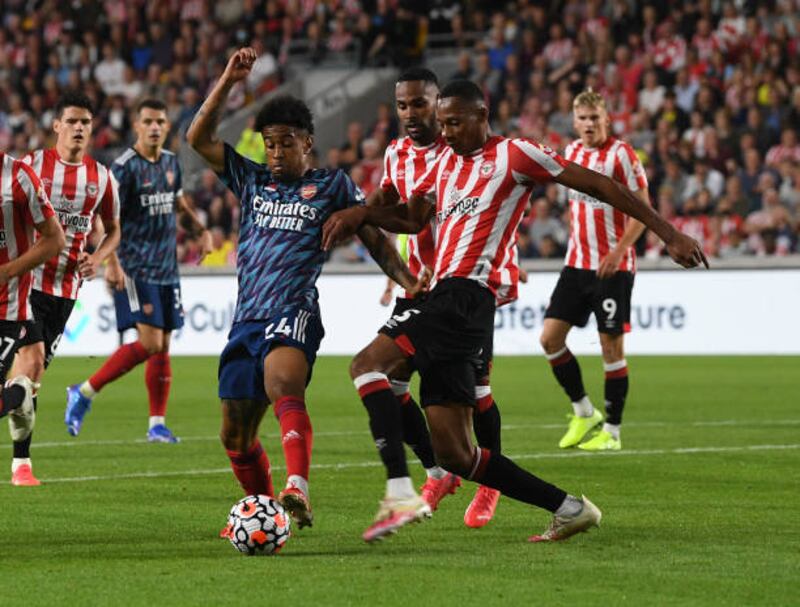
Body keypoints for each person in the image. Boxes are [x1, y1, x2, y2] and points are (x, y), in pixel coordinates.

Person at [322, 80, 707, 542]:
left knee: (368, 368)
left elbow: (601, 184)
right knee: (458, 455)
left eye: (455, 122)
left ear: (483, 116)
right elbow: (411, 219)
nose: (446, 132)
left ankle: (401, 490)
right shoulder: (444, 160)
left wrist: (668, 234)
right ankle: (570, 508)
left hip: (467, 296)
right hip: (448, 298)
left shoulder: (516, 154)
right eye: (441, 124)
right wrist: (361, 214)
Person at [186, 48, 422, 531]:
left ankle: (298, 486)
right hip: (246, 318)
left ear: (307, 143)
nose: (275, 153)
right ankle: (265, 512)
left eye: (286, 144)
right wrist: (230, 79)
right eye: (270, 144)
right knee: (234, 434)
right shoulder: (250, 180)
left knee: (283, 385)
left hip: (293, 308)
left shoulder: (332, 185)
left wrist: (410, 283)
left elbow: (374, 238)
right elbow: (197, 137)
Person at [366, 67, 507, 541]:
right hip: (416, 288)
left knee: (478, 391)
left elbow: (492, 210)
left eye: (418, 104)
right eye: (402, 105)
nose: (410, 114)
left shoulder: (461, 144)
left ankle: (489, 484)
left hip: (465, 285)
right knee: (390, 379)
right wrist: (359, 216)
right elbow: (392, 207)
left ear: (438, 102)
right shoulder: (396, 154)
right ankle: (437, 471)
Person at [65, 99, 213, 442]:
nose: (155, 127)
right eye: (148, 121)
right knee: (148, 342)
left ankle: (156, 424)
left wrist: (201, 231)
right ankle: (84, 391)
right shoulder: (124, 168)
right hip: (134, 266)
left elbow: (179, 205)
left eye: (161, 121)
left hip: (166, 268)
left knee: (162, 344)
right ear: (137, 126)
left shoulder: (171, 164)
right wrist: (111, 263)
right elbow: (105, 219)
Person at [8, 92, 121, 486]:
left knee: (28, 381)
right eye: (71, 121)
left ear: (92, 129)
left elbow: (114, 228)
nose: (78, 128)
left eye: (85, 123)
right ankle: (22, 465)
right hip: (26, 282)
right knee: (31, 362)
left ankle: (20, 460)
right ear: (56, 125)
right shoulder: (32, 166)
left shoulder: (102, 178)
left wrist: (100, 256)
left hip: (65, 291)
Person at [539, 89, 651, 452]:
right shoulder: (570, 154)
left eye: (595, 119)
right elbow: (576, 209)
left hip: (613, 268)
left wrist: (619, 250)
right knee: (549, 339)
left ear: (607, 120)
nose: (589, 125)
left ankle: (613, 433)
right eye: (583, 119)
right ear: (574, 122)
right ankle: (583, 410)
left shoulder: (622, 154)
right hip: (576, 265)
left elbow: (644, 209)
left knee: (610, 348)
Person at [0, 152, 66, 465]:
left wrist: (9, 270)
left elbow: (55, 240)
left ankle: (21, 395)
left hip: (7, 310)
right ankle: (20, 394)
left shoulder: (19, 175)